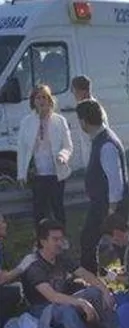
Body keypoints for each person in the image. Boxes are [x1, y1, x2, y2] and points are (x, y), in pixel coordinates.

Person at [20, 219, 125, 328]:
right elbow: (52, 297)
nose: (59, 243)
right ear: (43, 241)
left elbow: (85, 274)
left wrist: (105, 290)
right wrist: (82, 303)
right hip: (43, 311)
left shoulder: (60, 257)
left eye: (61, 239)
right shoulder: (34, 266)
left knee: (95, 292)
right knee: (66, 309)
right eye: (55, 239)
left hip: (62, 300)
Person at [76, 99, 129, 274]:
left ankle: (127, 274)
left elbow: (115, 180)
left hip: (107, 205)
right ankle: (98, 275)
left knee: (107, 240)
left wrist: (112, 210)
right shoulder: (101, 138)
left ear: (84, 121)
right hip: (102, 203)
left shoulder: (106, 144)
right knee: (96, 239)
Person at [17, 85, 74, 227]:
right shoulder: (26, 122)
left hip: (56, 173)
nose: (41, 101)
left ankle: (61, 238)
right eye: (38, 97)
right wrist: (21, 174)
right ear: (33, 101)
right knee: (39, 211)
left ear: (50, 100)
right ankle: (41, 241)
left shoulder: (59, 120)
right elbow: (22, 150)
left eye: (44, 97)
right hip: (38, 175)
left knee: (57, 208)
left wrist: (63, 155)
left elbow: (68, 146)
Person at [0, 213, 34, 328]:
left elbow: (6, 272)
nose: (5, 225)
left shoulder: (3, 248)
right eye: (2, 222)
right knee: (14, 292)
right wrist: (24, 265)